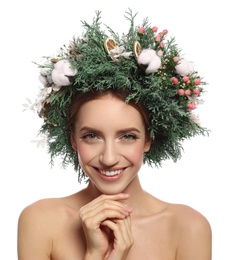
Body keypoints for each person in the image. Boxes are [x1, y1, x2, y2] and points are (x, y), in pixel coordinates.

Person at [18, 9, 212, 260]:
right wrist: (95, 255)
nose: (109, 158)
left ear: (149, 139)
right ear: (73, 139)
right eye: (91, 136)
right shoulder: (41, 222)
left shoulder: (188, 228)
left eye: (128, 136)